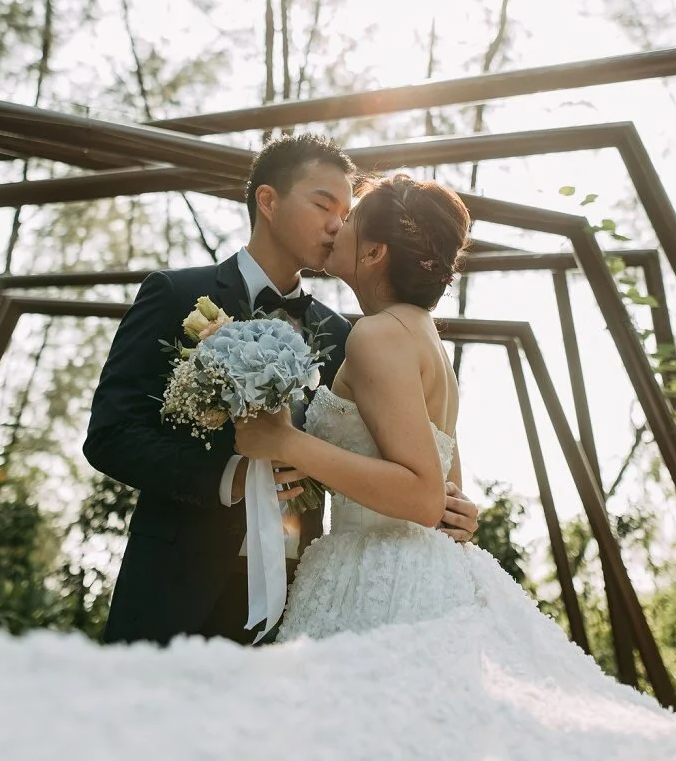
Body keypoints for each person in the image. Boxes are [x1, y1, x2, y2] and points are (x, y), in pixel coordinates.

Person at [85, 136, 479, 645]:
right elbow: (111, 434)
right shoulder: (176, 295)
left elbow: (396, 458)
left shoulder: (346, 335)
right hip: (178, 585)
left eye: (347, 212)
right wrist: (230, 477)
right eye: (323, 205)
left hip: (308, 597)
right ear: (268, 201)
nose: (338, 224)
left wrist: (455, 509)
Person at [232, 172, 557, 641]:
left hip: (379, 584)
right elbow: (447, 491)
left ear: (374, 252)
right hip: (422, 568)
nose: (337, 225)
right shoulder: (421, 333)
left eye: (351, 219)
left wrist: (286, 441)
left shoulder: (378, 334)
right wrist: (459, 510)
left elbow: (424, 497)